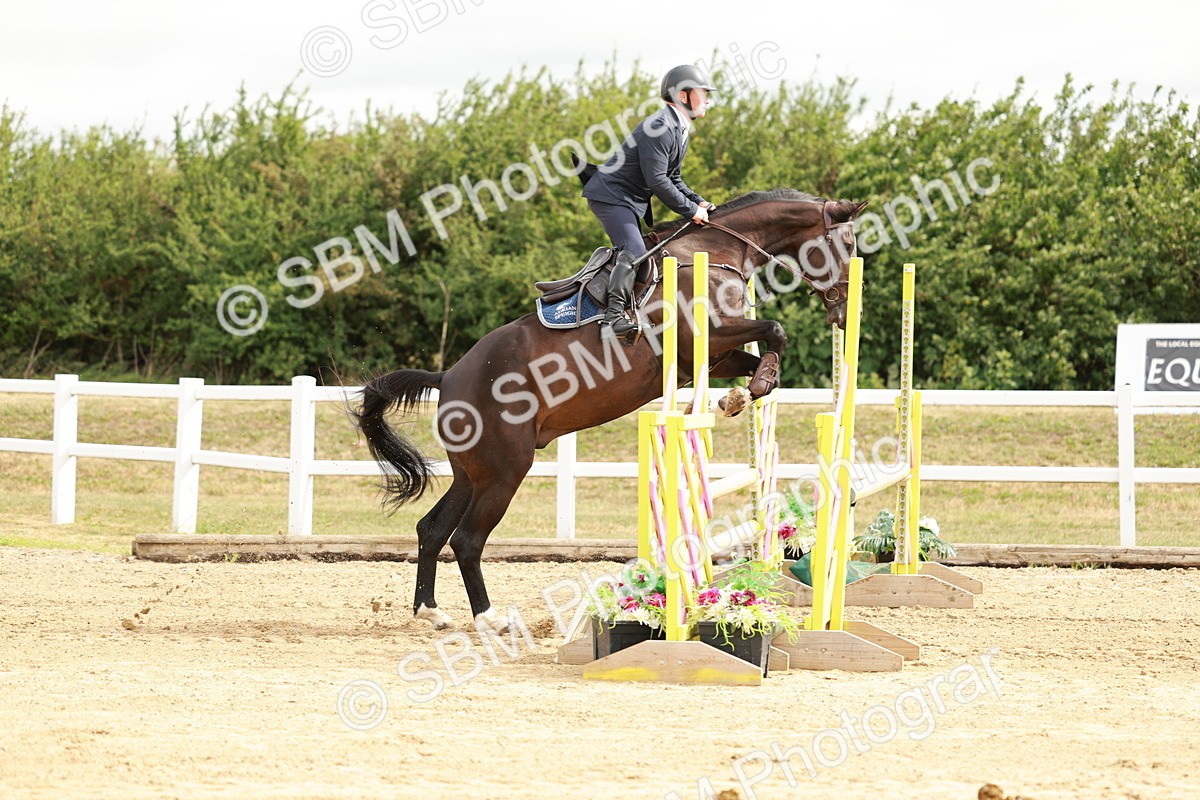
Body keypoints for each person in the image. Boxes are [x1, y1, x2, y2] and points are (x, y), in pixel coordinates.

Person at [582, 64, 718, 340]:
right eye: (702, 93)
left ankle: (624, 308)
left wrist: (699, 202)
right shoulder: (660, 127)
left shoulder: (678, 128)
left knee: (637, 251)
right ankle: (612, 319)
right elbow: (658, 181)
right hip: (612, 197)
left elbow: (673, 177)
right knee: (633, 248)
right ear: (683, 96)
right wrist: (691, 211)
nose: (707, 100)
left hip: (627, 200)